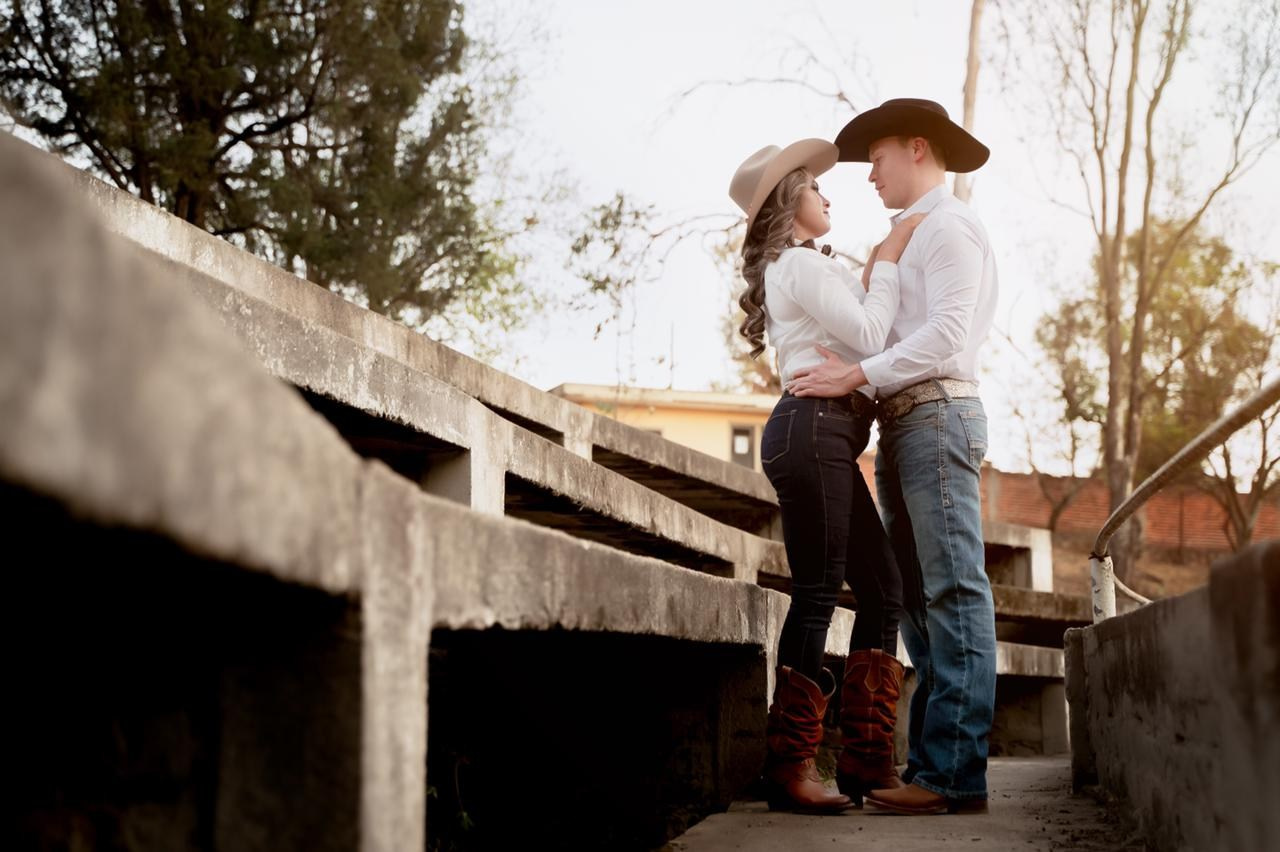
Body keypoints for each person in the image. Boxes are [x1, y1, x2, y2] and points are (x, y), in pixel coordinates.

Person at [788, 98, 998, 815]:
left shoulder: (950, 228)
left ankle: (953, 777)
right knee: (915, 602)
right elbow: (881, 333)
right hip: (906, 424)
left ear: (916, 148)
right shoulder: (908, 236)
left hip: (938, 413)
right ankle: (933, 768)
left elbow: (944, 335)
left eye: (874, 161)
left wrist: (853, 375)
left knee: (953, 592)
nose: (868, 177)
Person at [728, 139, 924, 813]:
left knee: (883, 586)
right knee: (819, 590)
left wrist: (876, 266)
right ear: (790, 202)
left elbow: (872, 328)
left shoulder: (815, 265)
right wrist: (890, 259)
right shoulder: (794, 267)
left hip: (829, 433)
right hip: (812, 430)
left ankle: (869, 761)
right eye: (815, 187)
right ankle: (790, 765)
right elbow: (873, 335)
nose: (828, 194)